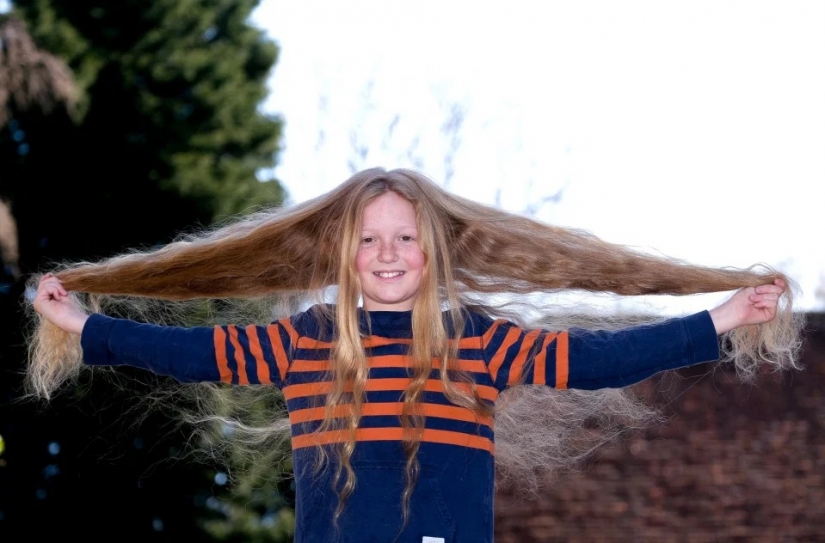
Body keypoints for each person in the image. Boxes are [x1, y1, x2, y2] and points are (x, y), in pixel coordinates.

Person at [28, 168, 800, 543]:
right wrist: (85, 325)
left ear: (432, 251)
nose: (387, 252)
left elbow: (599, 357)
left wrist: (723, 315)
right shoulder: (306, 339)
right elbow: (191, 352)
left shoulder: (478, 340)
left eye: (404, 237)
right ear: (342, 252)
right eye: (367, 238)